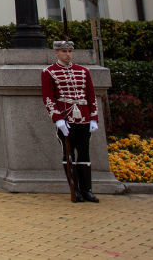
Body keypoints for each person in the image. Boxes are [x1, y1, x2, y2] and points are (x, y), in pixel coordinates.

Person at [42, 40, 100, 203]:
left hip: (83, 117)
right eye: (64, 51)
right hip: (66, 118)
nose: (68, 54)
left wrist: (93, 118)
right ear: (57, 53)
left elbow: (91, 96)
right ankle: (75, 190)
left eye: (69, 51)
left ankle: (87, 189)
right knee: (68, 154)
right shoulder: (49, 72)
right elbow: (48, 97)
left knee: (84, 154)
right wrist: (57, 119)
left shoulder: (83, 71)